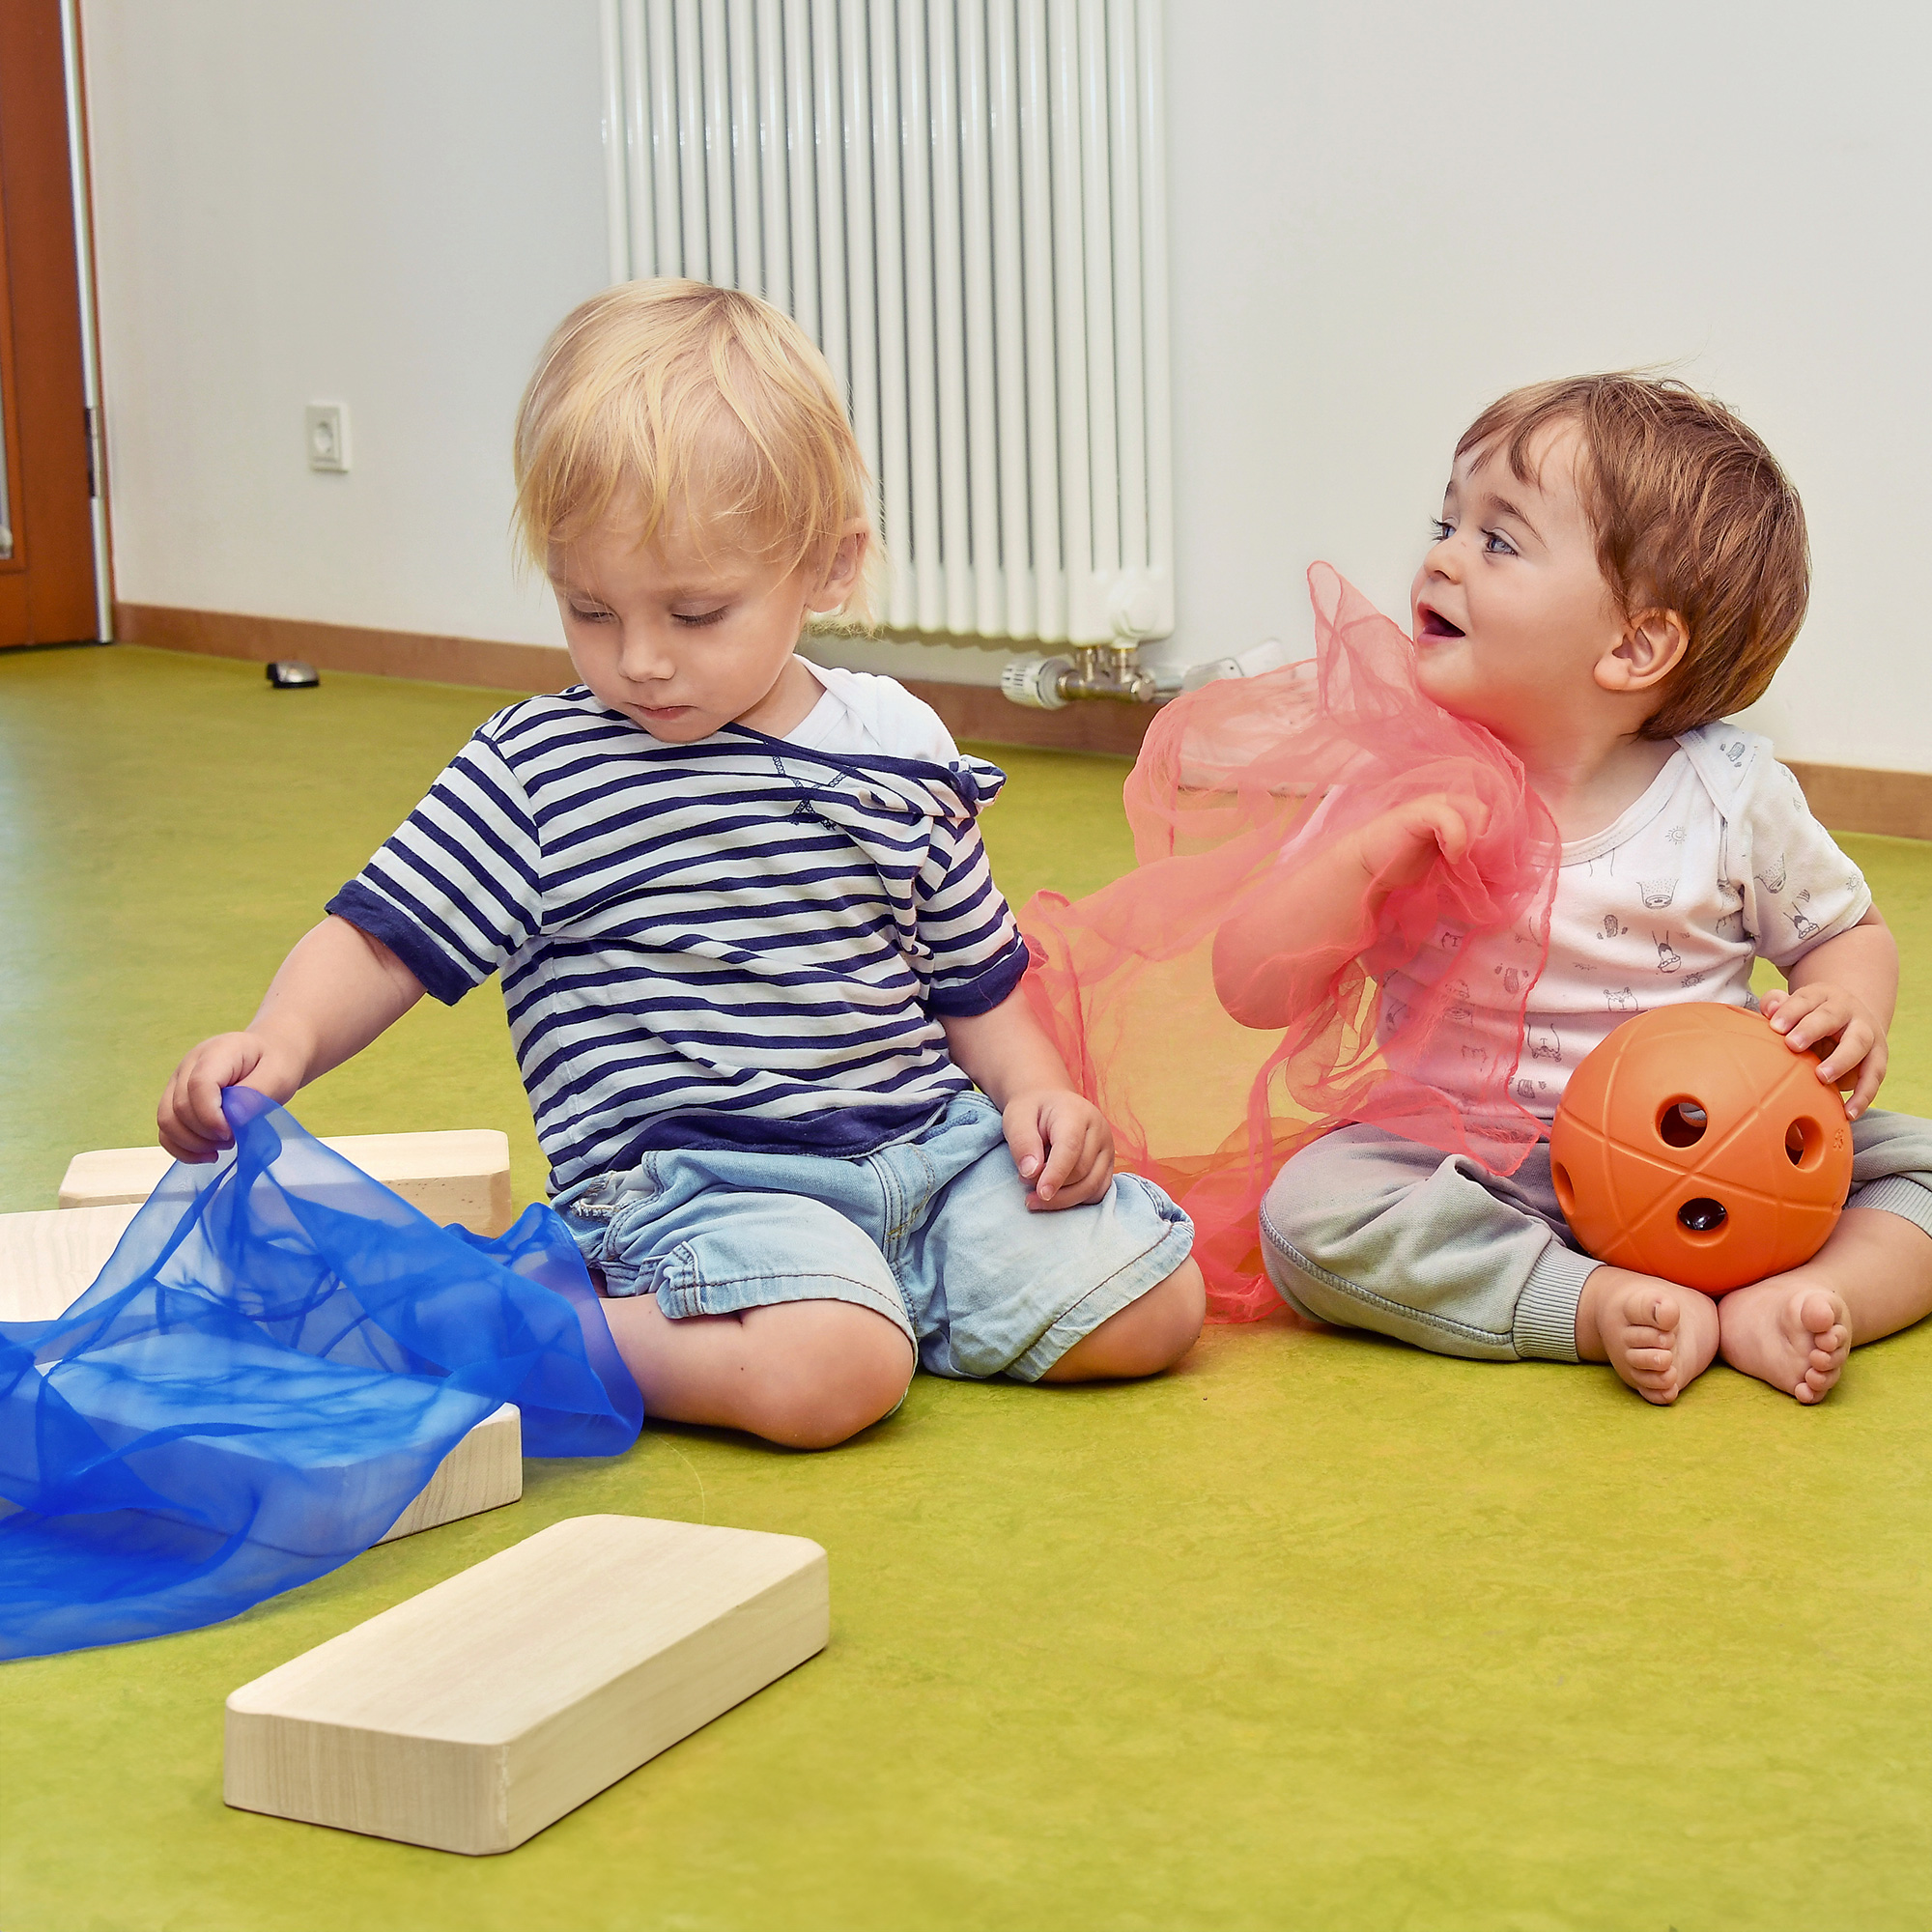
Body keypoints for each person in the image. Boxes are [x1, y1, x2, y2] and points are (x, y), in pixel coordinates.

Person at [157, 278, 1204, 1449]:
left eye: (696, 613)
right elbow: (383, 937)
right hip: (701, 1188)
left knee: (1154, 1302)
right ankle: (532, 1317)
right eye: (590, 609)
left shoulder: (899, 744)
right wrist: (279, 1039)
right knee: (833, 1374)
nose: (640, 660)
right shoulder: (542, 765)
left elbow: (971, 972)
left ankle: (879, 1296)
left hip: (927, 1158)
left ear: (830, 566)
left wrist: (1037, 1093)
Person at [1223, 375, 1932, 1406]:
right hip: (1475, 1165)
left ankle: (1811, 1295)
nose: (1439, 556)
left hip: (1719, 1158)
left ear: (1633, 644)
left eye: (1498, 540)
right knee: (1308, 1214)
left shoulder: (1728, 796)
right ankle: (1583, 1301)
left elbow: (1844, 932)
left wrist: (1847, 1006)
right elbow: (1248, 985)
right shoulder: (1393, 788)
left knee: (1917, 1162)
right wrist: (1365, 860)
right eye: (1445, 521)